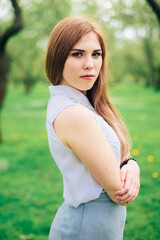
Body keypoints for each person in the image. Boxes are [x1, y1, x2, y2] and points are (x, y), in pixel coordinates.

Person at [45, 15, 140, 240]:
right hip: (86, 227)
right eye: (77, 54)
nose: (90, 64)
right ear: (58, 57)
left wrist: (132, 165)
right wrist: (130, 170)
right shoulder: (74, 113)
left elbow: (120, 160)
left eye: (96, 54)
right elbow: (119, 192)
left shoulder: (81, 103)